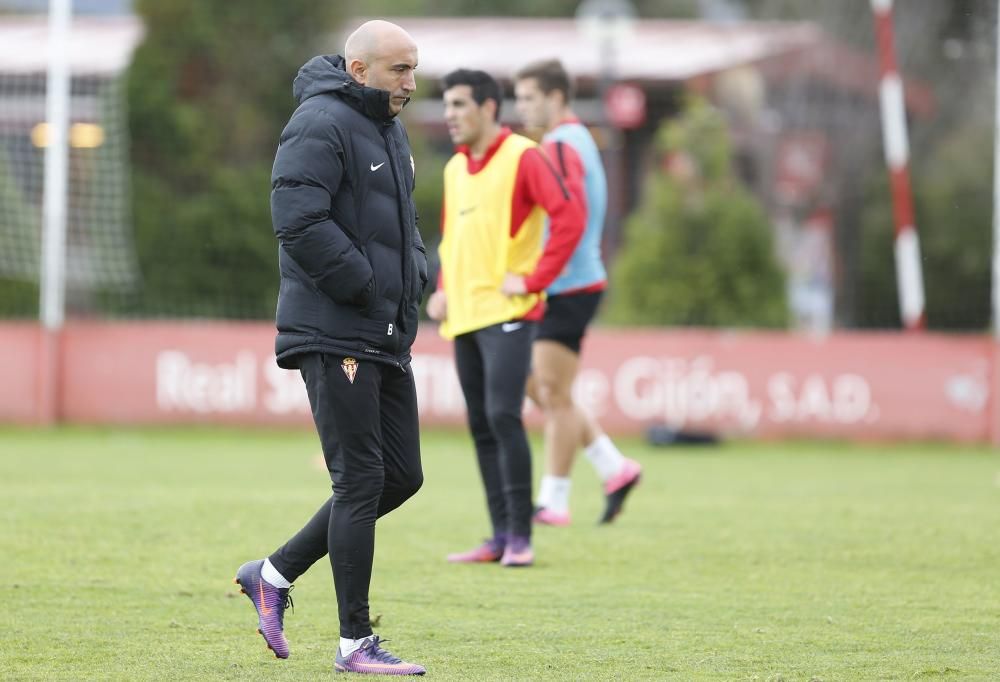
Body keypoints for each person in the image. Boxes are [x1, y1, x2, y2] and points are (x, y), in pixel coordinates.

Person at [233, 20, 427, 676]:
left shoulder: (389, 131)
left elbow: (406, 227)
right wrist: (367, 286)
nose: (411, 82)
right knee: (362, 479)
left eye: (413, 69)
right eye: (399, 70)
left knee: (401, 475)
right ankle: (355, 644)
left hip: (382, 331)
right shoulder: (319, 122)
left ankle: (274, 573)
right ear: (358, 69)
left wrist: (415, 278)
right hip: (335, 328)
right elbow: (298, 220)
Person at [427, 69, 585, 567]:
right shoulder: (455, 168)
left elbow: (569, 218)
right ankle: (498, 536)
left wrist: (536, 278)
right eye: (447, 105)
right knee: (480, 422)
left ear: (489, 108)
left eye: (458, 105)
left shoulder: (523, 156)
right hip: (466, 315)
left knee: (502, 414)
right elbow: (453, 239)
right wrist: (444, 289)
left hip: (511, 311)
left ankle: (521, 537)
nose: (449, 115)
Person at [513, 59, 642, 527]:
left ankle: (554, 500)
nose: (521, 107)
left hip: (568, 284)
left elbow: (573, 218)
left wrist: (536, 278)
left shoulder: (562, 143)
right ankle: (615, 467)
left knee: (551, 391)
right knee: (541, 387)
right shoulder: (575, 139)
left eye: (529, 97)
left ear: (555, 96)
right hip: (568, 281)